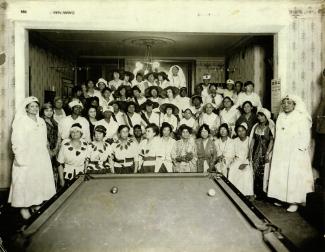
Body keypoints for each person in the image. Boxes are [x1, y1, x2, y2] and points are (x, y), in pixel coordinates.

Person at [9, 96, 56, 219]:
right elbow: (16, 141)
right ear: (26, 108)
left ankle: (35, 204)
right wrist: (20, 158)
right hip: (26, 157)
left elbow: (44, 139)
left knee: (38, 182)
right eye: (32, 106)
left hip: (40, 157)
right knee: (25, 183)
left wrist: (48, 152)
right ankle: (24, 208)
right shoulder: (21, 121)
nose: (34, 109)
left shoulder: (41, 121)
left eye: (36, 106)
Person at [268, 95, 314, 212]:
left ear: (294, 104)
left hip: (295, 152)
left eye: (289, 103)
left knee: (293, 176)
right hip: (281, 151)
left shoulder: (300, 117)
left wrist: (300, 149)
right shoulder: (281, 116)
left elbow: (305, 135)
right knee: (282, 174)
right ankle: (281, 198)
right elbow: (277, 134)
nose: (286, 105)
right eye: (284, 103)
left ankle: (294, 201)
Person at [249, 108, 275, 200]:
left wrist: (268, 152)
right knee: (256, 172)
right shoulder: (256, 126)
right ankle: (257, 193)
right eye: (259, 116)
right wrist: (250, 150)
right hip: (256, 152)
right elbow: (253, 139)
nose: (260, 118)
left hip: (266, 151)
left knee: (265, 172)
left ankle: (265, 194)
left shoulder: (270, 127)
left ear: (266, 117)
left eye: (262, 116)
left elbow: (272, 140)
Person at [57, 123, 89, 187]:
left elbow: (87, 161)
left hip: (81, 175)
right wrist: (61, 179)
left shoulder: (86, 146)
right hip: (67, 175)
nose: (75, 133)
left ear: (81, 134)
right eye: (72, 132)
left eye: (77, 131)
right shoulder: (65, 146)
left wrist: (86, 174)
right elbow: (59, 164)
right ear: (70, 134)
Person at [228, 123, 254, 196]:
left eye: (243, 130)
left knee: (246, 171)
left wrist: (245, 163)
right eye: (239, 131)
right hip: (237, 160)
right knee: (232, 168)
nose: (241, 132)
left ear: (246, 130)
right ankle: (234, 192)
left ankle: (246, 194)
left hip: (247, 161)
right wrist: (230, 161)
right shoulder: (234, 141)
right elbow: (231, 154)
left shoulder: (250, 140)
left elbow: (250, 155)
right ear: (236, 132)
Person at [40, 102, 60, 187]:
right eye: (46, 110)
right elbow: (43, 138)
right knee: (47, 171)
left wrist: (56, 149)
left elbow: (59, 135)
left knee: (56, 170)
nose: (49, 112)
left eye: (51, 110)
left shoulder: (54, 121)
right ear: (42, 111)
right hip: (45, 150)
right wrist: (49, 151)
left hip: (55, 149)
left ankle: (54, 191)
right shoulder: (41, 122)